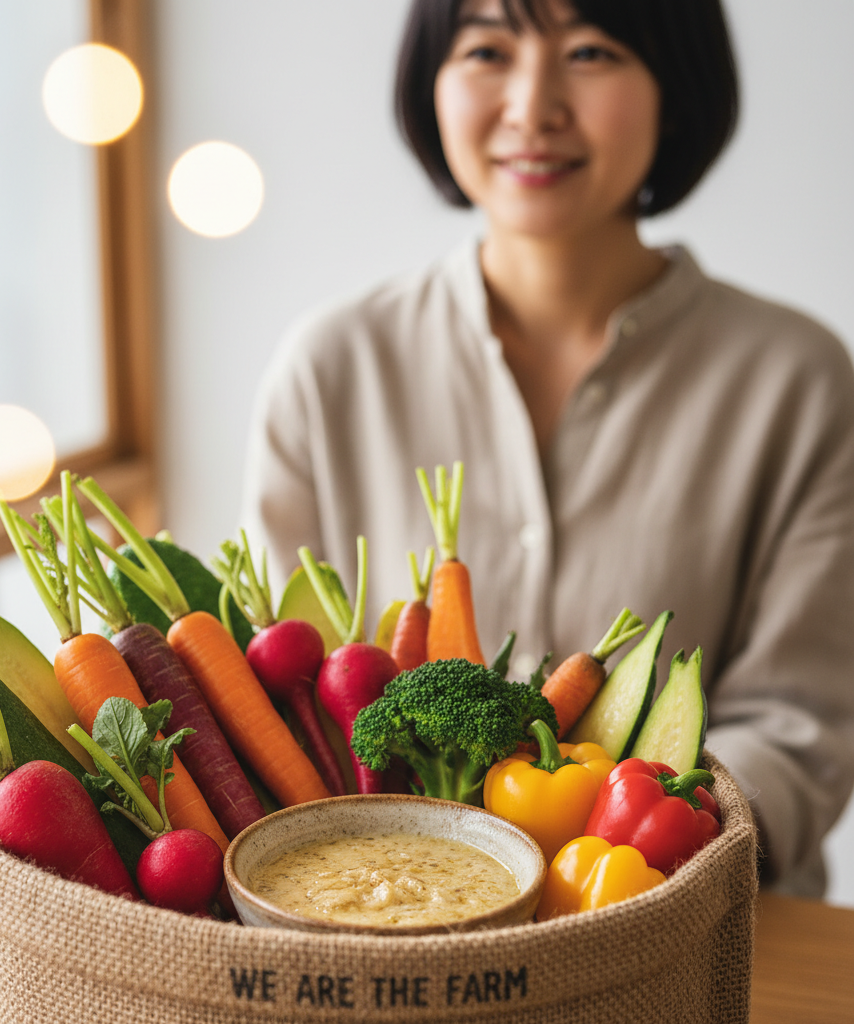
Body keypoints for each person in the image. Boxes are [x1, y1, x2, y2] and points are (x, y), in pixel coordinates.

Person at [240, 0, 854, 897]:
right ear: (432, 85)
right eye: (488, 47)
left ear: (674, 89)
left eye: (591, 51)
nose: (533, 104)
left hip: (692, 927)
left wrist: (624, 865)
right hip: (383, 919)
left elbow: (800, 725)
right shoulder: (331, 366)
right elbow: (281, 693)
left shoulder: (796, 378)